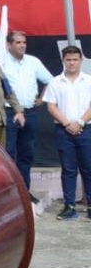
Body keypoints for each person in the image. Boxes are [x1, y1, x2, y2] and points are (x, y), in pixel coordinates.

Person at [42, 45, 91, 220]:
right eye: (68, 60)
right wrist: (67, 123)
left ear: (80, 60)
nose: (71, 63)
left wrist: (79, 122)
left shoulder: (89, 80)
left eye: (75, 59)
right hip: (63, 130)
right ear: (63, 61)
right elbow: (50, 105)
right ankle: (69, 206)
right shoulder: (56, 81)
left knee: (88, 168)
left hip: (86, 129)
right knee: (68, 169)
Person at [0, 31, 53, 193]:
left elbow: (51, 81)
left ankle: (24, 192)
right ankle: (9, 193)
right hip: (9, 112)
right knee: (8, 153)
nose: (22, 45)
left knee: (26, 153)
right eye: (18, 42)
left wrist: (42, 99)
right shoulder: (0, 62)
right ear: (9, 44)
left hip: (29, 112)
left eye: (24, 42)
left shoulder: (33, 61)